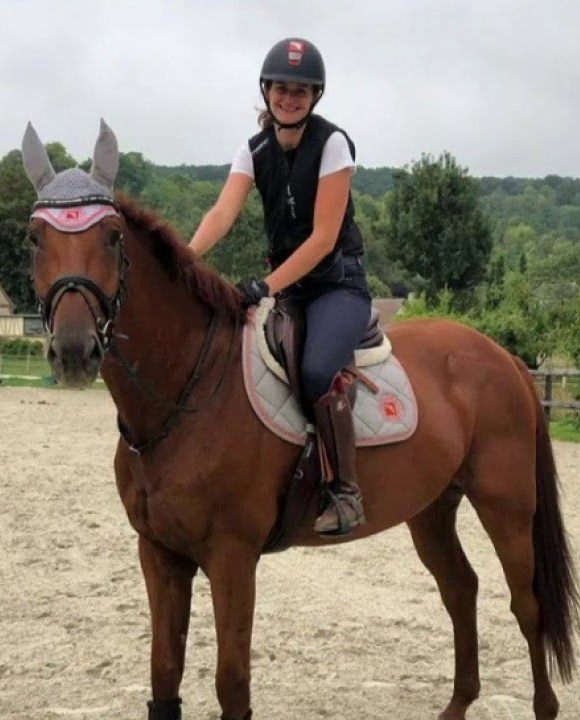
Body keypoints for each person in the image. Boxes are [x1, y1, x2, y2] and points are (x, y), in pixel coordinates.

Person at [188, 37, 373, 537]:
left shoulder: (333, 144)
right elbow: (222, 213)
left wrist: (264, 285)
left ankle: (346, 492)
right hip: (290, 292)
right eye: (281, 88)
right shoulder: (253, 151)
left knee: (315, 371)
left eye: (301, 90)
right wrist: (183, 259)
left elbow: (322, 238)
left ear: (315, 96)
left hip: (338, 288)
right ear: (266, 90)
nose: (289, 97)